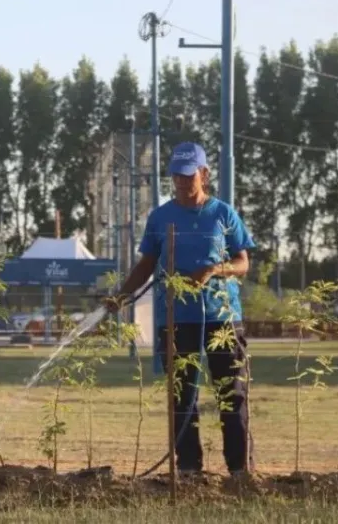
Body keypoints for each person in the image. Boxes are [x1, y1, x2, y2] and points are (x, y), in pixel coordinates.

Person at [106, 141, 256, 477]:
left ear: (204, 174)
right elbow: (146, 264)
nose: (182, 182)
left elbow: (242, 263)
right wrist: (121, 295)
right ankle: (188, 469)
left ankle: (240, 471)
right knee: (182, 396)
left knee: (231, 393)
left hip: (222, 317)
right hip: (176, 317)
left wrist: (214, 270)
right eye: (176, 176)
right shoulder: (160, 218)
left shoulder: (223, 214)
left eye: (189, 175)